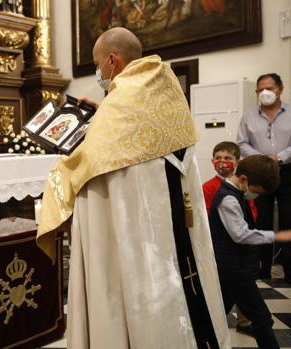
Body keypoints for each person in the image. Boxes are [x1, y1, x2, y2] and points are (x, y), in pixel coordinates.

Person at [36, 27, 230, 348]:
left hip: (140, 238)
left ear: (112, 60)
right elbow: (140, 136)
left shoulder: (120, 105)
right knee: (185, 285)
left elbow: (85, 164)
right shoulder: (162, 86)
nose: (99, 71)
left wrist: (58, 174)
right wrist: (102, 111)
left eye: (98, 64)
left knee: (134, 294)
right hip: (177, 223)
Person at [208, 154, 291, 348]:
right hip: (234, 269)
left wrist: (253, 257)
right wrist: (276, 236)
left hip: (234, 266)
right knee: (262, 318)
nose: (255, 195)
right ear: (244, 180)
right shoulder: (228, 199)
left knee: (216, 313)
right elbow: (240, 235)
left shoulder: (235, 193)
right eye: (256, 190)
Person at [237, 73, 291, 288]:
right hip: (259, 172)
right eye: (261, 89)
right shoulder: (248, 116)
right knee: (261, 220)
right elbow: (242, 143)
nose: (265, 92)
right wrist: (262, 160)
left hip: (289, 170)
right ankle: (261, 269)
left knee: (290, 220)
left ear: (280, 88)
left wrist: (279, 157)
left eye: (270, 87)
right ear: (256, 92)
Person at [202, 141, 257, 336]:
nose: (222, 162)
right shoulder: (208, 187)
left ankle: (245, 320)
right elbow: (207, 215)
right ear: (212, 161)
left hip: (241, 244)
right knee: (224, 284)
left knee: (244, 282)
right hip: (221, 245)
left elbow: (251, 211)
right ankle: (213, 323)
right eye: (218, 158)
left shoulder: (242, 184)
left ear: (237, 161)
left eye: (227, 158)